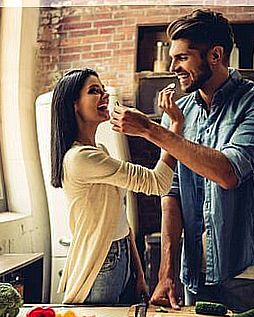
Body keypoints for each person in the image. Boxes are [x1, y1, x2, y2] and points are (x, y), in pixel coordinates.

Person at [111, 9, 254, 313]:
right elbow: (172, 193)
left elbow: (228, 172)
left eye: (182, 58)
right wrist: (167, 272)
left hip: (247, 271)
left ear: (215, 55)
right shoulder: (182, 113)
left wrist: (151, 130)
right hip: (194, 276)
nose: (172, 66)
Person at [51, 68, 183, 304]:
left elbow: (119, 216)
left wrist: (138, 273)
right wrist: (174, 127)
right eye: (94, 91)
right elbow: (159, 183)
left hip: (120, 255)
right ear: (74, 105)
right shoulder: (80, 158)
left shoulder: (99, 151)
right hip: (101, 262)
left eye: (103, 90)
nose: (105, 96)